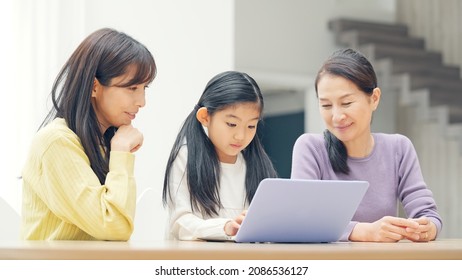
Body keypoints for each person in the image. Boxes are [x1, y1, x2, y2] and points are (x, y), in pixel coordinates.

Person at [291, 48, 442, 242]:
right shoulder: (310, 148)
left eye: (346, 103)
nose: (336, 116)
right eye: (326, 105)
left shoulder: (399, 148)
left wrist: (426, 227)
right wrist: (366, 232)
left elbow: (427, 213)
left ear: (374, 98)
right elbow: (302, 219)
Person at [21, 28, 157, 240]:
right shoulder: (56, 142)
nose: (142, 102)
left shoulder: (101, 143)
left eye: (144, 88)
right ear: (94, 86)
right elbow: (114, 226)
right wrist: (121, 152)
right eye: (132, 88)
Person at [162, 71, 278, 241]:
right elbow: (181, 223)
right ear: (205, 117)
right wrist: (225, 227)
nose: (240, 135)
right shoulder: (186, 157)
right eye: (231, 124)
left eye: (251, 126)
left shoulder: (256, 165)